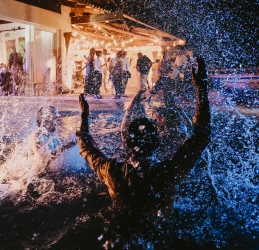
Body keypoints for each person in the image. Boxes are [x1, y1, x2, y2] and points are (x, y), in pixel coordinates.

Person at [76, 57, 210, 223]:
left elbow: (86, 148)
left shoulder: (112, 171)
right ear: (156, 142)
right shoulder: (166, 174)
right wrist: (201, 88)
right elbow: (201, 136)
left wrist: (84, 115)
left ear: (128, 143)